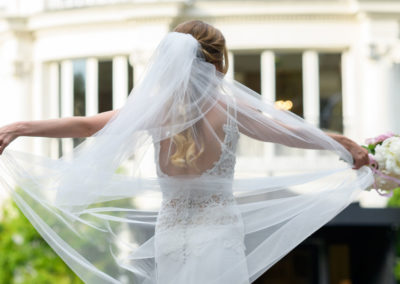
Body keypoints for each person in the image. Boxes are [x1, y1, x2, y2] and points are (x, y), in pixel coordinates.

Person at [0, 20, 372, 284]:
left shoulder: (154, 110)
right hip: (219, 232)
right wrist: (348, 145)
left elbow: (84, 125)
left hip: (171, 236)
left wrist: (17, 128)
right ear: (218, 61)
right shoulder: (232, 110)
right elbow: (293, 134)